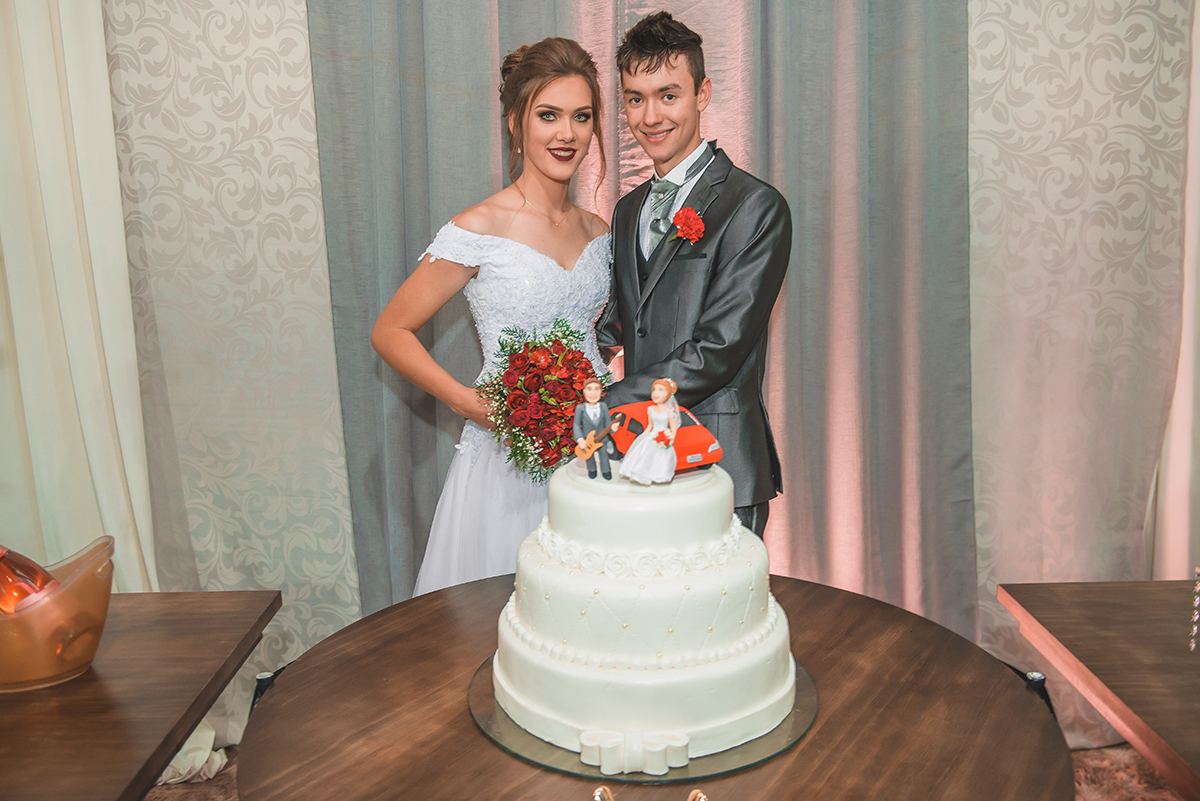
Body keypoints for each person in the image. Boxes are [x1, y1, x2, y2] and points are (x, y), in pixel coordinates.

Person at [372, 38, 610, 595]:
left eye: (581, 117)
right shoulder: (479, 228)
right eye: (547, 115)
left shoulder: (601, 232)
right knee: (503, 620)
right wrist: (464, 401)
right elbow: (391, 330)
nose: (566, 134)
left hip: (593, 452)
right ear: (514, 123)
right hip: (507, 455)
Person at [598, 12, 792, 536]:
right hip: (638, 459)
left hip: (721, 467)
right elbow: (618, 323)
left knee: (716, 620)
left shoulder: (754, 206)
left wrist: (609, 399)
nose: (650, 116)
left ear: (702, 93)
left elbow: (720, 349)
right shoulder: (628, 210)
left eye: (668, 94)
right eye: (635, 98)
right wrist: (555, 370)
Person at [618, 377, 680, 485]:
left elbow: (673, 427)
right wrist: (642, 436)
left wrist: (670, 437)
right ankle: (642, 474)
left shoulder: (668, 411)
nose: (655, 393)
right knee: (644, 456)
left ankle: (658, 476)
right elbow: (650, 425)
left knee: (659, 458)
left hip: (663, 437)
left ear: (667, 394)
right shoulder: (650, 409)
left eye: (660, 390)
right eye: (654, 390)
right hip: (651, 436)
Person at [572, 377, 620, 480]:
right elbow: (576, 425)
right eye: (589, 389)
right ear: (584, 391)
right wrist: (580, 439)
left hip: (602, 438)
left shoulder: (603, 407)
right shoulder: (580, 408)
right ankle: (592, 470)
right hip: (587, 439)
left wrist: (613, 428)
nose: (593, 393)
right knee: (589, 456)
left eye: (596, 389)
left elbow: (607, 423)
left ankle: (606, 471)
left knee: (604, 455)